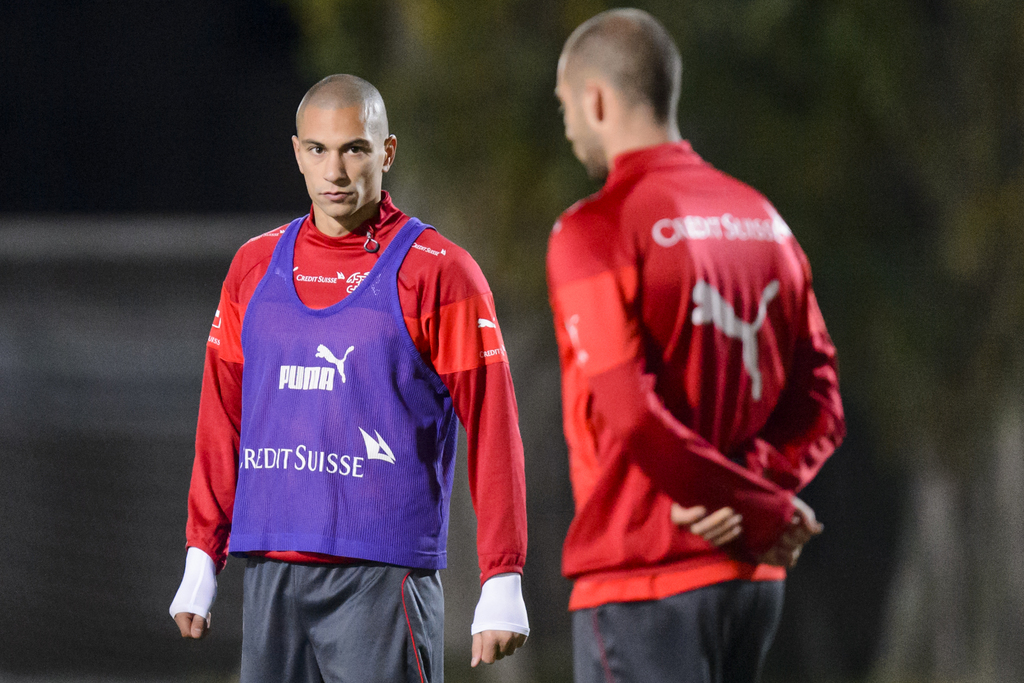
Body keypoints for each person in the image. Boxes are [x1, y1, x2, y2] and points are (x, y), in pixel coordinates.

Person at [169, 74, 529, 683]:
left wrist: (502, 576)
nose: (335, 170)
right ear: (297, 154)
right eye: (318, 149)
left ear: (386, 152)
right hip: (271, 572)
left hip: (381, 577)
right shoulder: (253, 267)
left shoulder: (440, 272)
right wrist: (202, 555)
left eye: (354, 149)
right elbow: (221, 416)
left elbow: (495, 427)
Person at [547, 9, 845, 683]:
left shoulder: (593, 228)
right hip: (752, 581)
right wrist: (765, 496)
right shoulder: (763, 217)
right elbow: (823, 402)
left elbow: (630, 412)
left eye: (565, 105)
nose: (566, 126)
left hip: (646, 577)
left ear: (595, 99)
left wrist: (752, 507)